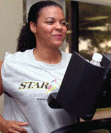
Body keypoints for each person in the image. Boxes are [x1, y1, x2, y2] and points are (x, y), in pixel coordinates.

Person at [0, 1, 78, 133]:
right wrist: (2, 124)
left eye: (63, 23)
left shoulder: (75, 64)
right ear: (33, 27)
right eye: (50, 22)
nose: (59, 27)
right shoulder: (12, 64)